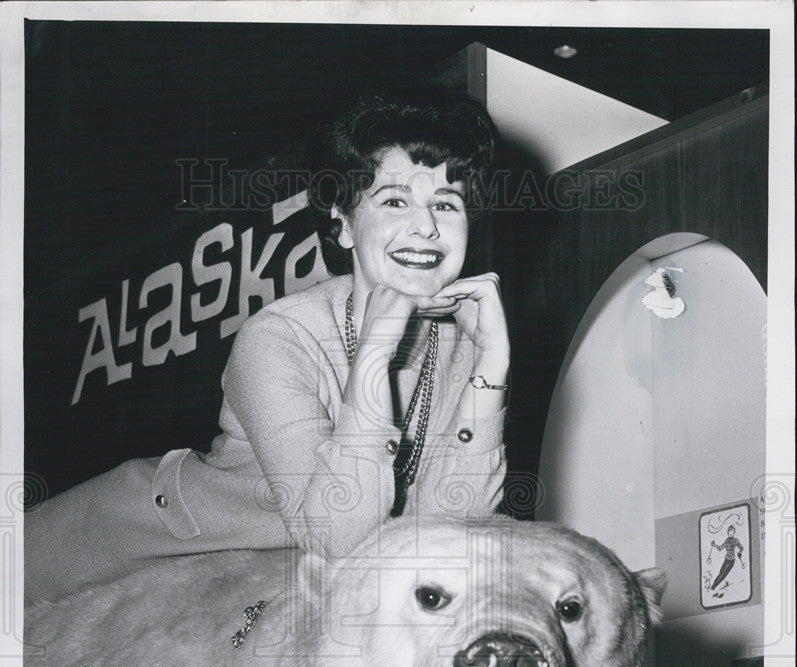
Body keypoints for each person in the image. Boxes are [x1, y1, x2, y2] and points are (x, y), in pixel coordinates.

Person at [25, 93, 510, 602]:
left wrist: (493, 361)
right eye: (394, 201)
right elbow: (341, 537)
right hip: (127, 545)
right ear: (342, 224)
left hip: (252, 583)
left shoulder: (461, 343)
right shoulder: (279, 335)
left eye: (445, 204)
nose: (427, 226)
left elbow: (455, 526)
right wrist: (373, 355)